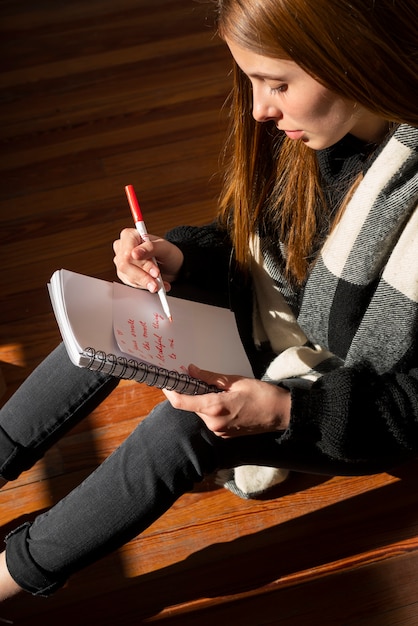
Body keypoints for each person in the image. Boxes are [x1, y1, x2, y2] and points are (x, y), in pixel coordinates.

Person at [1, 0, 417, 600]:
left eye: (276, 83)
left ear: (358, 57)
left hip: (365, 410)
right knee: (116, 313)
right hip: (294, 335)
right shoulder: (326, 129)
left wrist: (285, 413)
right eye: (250, 80)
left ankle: (10, 581)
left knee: (184, 428)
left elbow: (409, 407)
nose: (259, 109)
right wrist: (178, 257)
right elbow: (266, 242)